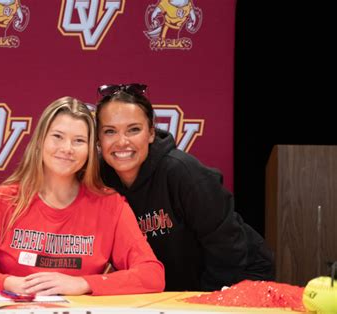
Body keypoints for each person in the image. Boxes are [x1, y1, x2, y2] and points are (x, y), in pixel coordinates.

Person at [0, 96, 165, 296]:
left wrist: (83, 284)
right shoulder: (3, 201)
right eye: (57, 136)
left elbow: (152, 275)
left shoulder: (110, 205)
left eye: (79, 141)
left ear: (89, 151)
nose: (67, 148)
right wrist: (8, 283)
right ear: (40, 141)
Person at [95, 84, 275, 292]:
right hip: (176, 285)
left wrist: (206, 303)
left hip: (240, 272)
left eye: (134, 129)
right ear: (98, 139)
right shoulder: (98, 180)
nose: (122, 142)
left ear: (151, 132)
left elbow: (228, 247)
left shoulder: (182, 172)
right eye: (110, 131)